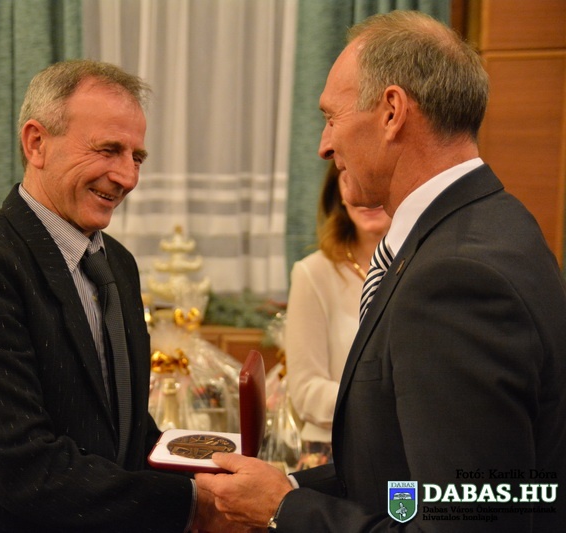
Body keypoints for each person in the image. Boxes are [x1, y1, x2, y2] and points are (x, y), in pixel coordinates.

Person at [196, 10, 566, 532]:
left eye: (331, 117)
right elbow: (405, 476)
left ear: (392, 111)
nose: (324, 146)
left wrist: (284, 510)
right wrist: (287, 488)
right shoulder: (494, 220)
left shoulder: (454, 278)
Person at [0, 59, 239, 532]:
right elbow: (20, 466)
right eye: (108, 150)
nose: (127, 177)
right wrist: (191, 506)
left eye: (137, 157)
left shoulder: (117, 264)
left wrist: (221, 468)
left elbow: (124, 430)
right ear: (36, 143)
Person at [284, 163, 390, 470]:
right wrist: (387, 403)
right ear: (339, 194)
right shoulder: (313, 273)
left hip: (405, 449)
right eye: (350, 179)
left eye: (376, 177)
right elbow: (305, 390)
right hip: (332, 453)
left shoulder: (420, 267)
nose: (365, 195)